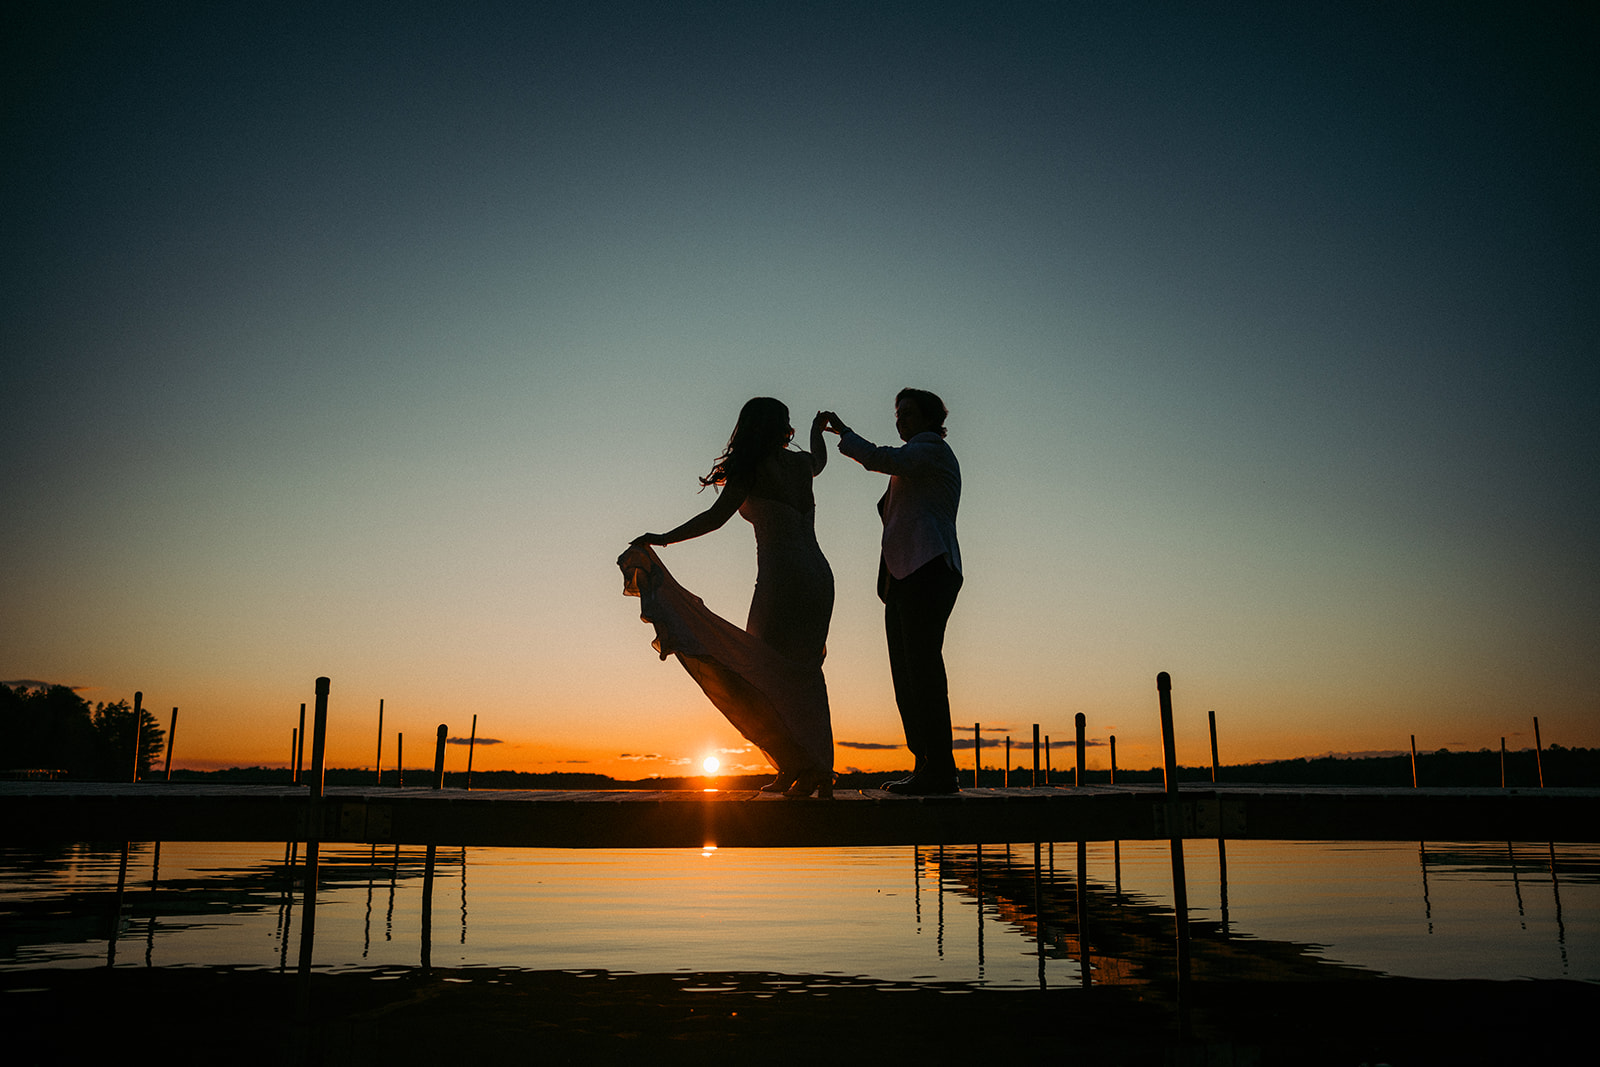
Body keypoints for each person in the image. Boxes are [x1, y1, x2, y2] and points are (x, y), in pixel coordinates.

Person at [618, 398, 836, 798]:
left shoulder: (751, 468)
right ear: (782, 428)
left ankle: (801, 764)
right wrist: (817, 433)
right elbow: (819, 460)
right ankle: (807, 768)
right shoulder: (801, 465)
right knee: (802, 672)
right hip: (818, 579)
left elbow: (715, 518)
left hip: (783, 580)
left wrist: (662, 539)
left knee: (758, 674)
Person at [822, 389, 962, 794]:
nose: (899, 419)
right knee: (907, 675)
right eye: (896, 413)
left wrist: (845, 433)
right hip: (903, 577)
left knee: (923, 672)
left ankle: (938, 771)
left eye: (907, 412)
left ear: (930, 418)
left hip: (928, 568)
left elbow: (883, 459)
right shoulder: (914, 463)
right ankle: (926, 766)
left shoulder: (930, 450)